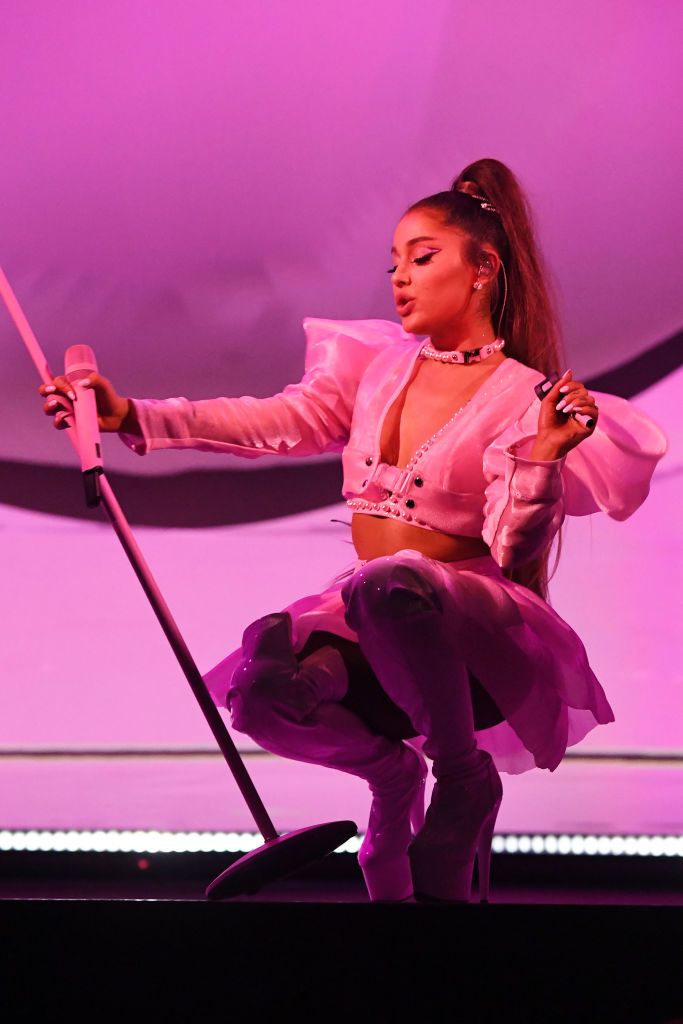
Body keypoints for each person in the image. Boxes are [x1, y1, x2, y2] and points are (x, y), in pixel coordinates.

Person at [39, 158, 667, 903]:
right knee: (261, 693)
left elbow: (511, 547)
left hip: (471, 634)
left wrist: (544, 455)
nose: (399, 277)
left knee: (390, 584)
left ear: (482, 269)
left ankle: (461, 779)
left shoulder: (522, 399)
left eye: (422, 257)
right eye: (393, 261)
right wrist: (133, 415)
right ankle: (392, 779)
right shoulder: (378, 367)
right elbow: (275, 421)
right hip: (374, 615)